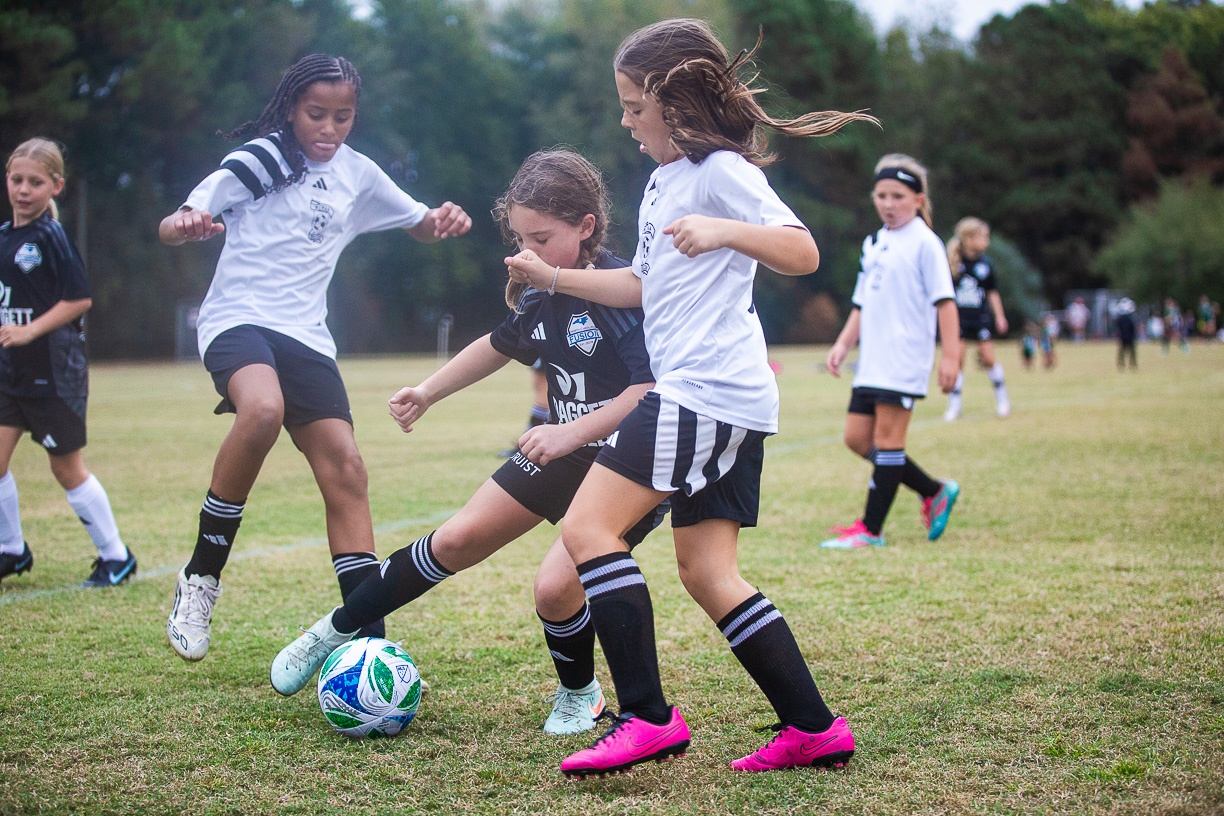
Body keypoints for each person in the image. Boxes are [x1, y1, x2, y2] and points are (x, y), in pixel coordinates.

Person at [506, 18, 877, 778]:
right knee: (708, 572)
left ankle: (647, 718)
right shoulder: (661, 183)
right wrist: (554, 277)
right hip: (727, 398)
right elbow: (640, 287)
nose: (626, 122)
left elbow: (803, 250)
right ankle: (814, 729)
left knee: (587, 528)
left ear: (673, 105)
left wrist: (724, 230)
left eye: (634, 107)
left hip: (704, 391)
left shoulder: (718, 172)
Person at [268, 148, 667, 736]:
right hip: (561, 451)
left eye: (541, 238)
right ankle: (335, 627)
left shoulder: (621, 293)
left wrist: (568, 432)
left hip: (626, 462)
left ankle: (579, 694)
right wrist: (428, 392)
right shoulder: (541, 293)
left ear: (586, 227)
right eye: (520, 239)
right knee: (454, 539)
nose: (527, 252)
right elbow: (497, 345)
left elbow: (650, 389)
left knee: (554, 590)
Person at [158, 54, 471, 662]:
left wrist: (441, 219)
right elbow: (173, 224)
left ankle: (370, 644)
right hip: (238, 319)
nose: (329, 129)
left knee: (347, 469)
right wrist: (188, 223)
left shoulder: (358, 174)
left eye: (342, 116)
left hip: (306, 335)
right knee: (262, 410)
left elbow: (418, 222)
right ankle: (201, 577)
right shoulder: (259, 160)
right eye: (315, 114)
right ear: (291, 109)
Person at [0, 138, 134, 588]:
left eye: (35, 182)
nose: (24, 190)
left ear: (56, 187)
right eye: (16, 179)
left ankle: (117, 557)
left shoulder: (51, 237)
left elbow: (79, 299)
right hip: (11, 372)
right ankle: (11, 549)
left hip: (54, 374)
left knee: (66, 469)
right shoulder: (5, 237)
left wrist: (29, 331)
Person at [820, 155, 961, 551]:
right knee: (857, 439)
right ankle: (933, 490)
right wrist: (843, 343)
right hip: (872, 361)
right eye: (881, 195)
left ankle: (871, 530)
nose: (888, 203)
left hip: (903, 358)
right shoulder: (875, 243)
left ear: (918, 200)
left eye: (898, 196)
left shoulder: (926, 243)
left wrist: (951, 357)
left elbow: (945, 303)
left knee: (888, 440)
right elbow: (862, 303)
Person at [943, 217, 1009, 420]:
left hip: (980, 318)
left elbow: (992, 292)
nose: (986, 242)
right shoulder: (953, 263)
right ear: (969, 239)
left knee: (988, 358)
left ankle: (1002, 399)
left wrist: (1000, 316)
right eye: (983, 237)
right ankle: (954, 406)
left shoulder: (985, 264)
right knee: (958, 360)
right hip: (958, 319)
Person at [1112, 297, 1137, 370]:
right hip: (1130, 338)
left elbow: (1117, 329)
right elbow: (1133, 329)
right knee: (1131, 352)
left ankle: (1121, 364)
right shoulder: (1130, 319)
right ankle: (1132, 364)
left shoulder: (1120, 319)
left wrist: (1118, 337)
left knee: (1122, 352)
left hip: (1123, 337)